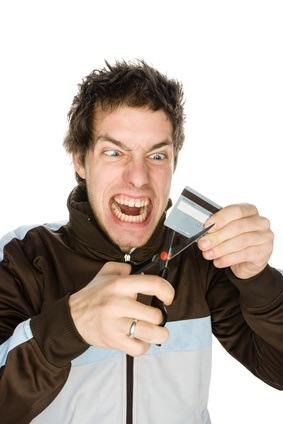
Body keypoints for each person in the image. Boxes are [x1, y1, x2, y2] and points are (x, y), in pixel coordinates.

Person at [0, 59, 282, 424]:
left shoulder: (200, 257)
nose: (138, 178)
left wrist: (258, 281)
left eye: (157, 155)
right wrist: (68, 327)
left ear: (174, 163)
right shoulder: (23, 257)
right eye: (114, 152)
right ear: (80, 161)